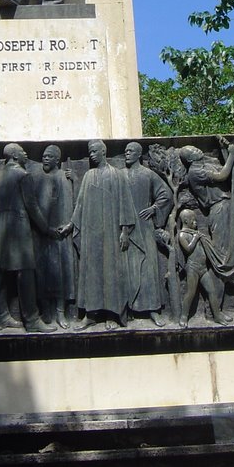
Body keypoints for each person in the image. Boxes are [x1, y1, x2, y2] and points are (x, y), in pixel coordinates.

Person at [0, 143, 56, 333]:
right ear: (14, 156)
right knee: (25, 273)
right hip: (17, 228)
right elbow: (32, 206)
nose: (26, 153)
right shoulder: (22, 175)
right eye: (22, 151)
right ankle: (32, 319)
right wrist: (46, 228)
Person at [58, 139, 138, 328]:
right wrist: (71, 224)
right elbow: (81, 204)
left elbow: (126, 203)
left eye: (94, 151)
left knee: (111, 272)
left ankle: (112, 314)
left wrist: (125, 231)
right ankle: (90, 314)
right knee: (91, 273)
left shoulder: (117, 175)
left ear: (103, 151)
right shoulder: (88, 176)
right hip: (91, 233)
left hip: (110, 232)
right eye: (89, 152)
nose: (91, 155)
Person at [123, 141, 171, 325]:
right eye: (126, 151)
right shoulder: (120, 175)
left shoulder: (148, 174)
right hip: (125, 228)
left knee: (149, 268)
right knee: (127, 269)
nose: (127, 153)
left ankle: (153, 309)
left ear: (138, 154)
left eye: (131, 151)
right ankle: (127, 309)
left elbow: (165, 194)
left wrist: (154, 208)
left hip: (144, 227)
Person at [34, 144, 76, 328]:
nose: (45, 158)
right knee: (42, 274)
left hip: (61, 235)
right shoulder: (38, 179)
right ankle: (46, 312)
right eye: (43, 156)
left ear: (57, 160)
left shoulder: (63, 177)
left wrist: (68, 226)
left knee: (61, 275)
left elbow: (73, 204)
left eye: (49, 156)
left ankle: (60, 312)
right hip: (43, 235)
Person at [177, 208, 231, 326]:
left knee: (212, 291)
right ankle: (184, 317)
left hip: (203, 268)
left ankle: (217, 315)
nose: (196, 223)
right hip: (193, 268)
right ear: (186, 221)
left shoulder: (196, 234)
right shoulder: (183, 235)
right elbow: (188, 249)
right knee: (190, 293)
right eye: (193, 220)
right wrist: (196, 239)